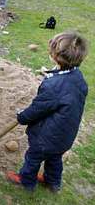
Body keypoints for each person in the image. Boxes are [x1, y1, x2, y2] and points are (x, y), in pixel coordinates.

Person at [7, 31, 88, 192]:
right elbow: (64, 94)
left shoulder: (53, 86)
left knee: (33, 158)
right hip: (65, 136)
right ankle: (53, 183)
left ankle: (26, 181)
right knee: (55, 158)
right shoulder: (78, 77)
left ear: (55, 57)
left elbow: (38, 109)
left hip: (45, 138)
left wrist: (22, 117)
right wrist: (51, 75)